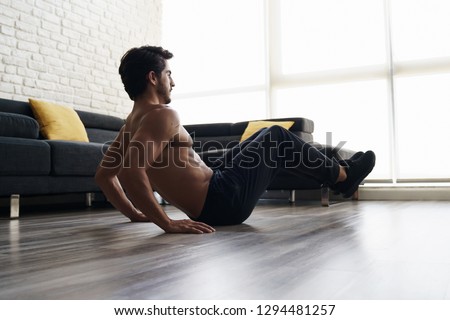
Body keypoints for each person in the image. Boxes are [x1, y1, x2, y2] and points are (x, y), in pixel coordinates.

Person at [95, 45, 375, 234]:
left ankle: (335, 172)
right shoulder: (162, 115)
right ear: (153, 77)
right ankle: (342, 177)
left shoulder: (129, 126)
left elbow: (104, 176)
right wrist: (166, 223)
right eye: (169, 74)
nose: (173, 82)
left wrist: (135, 214)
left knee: (245, 148)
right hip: (222, 202)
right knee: (276, 136)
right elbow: (132, 172)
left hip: (214, 192)